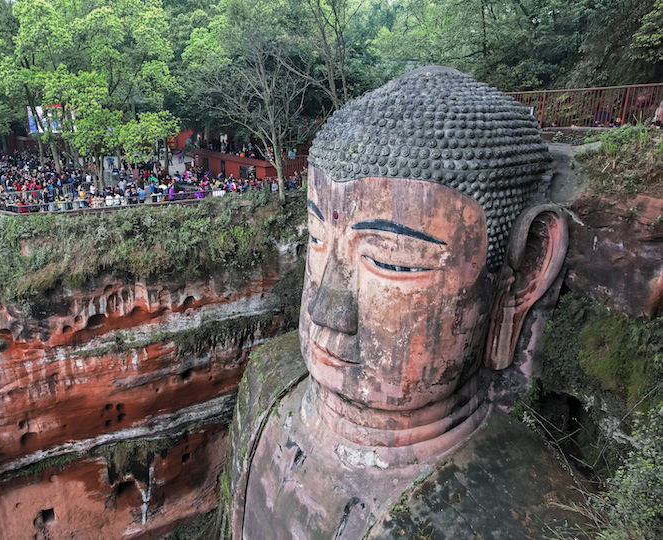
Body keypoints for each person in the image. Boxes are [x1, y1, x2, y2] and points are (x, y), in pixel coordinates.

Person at [232, 66, 571, 540]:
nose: (326, 312)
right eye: (315, 238)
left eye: (390, 261)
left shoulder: (518, 516)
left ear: (526, 272)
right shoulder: (268, 387)